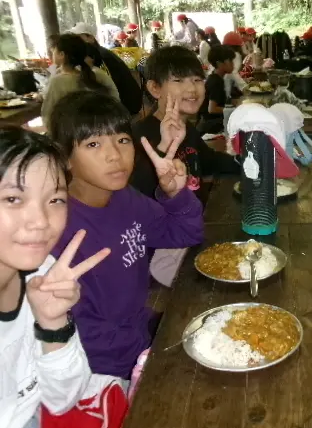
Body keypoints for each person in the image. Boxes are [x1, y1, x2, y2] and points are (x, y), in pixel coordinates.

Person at [47, 90, 204, 380]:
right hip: (104, 369)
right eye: (93, 144)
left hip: (137, 332)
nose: (114, 156)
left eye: (122, 140)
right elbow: (86, 336)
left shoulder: (124, 198)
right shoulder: (59, 231)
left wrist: (176, 194)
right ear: (65, 158)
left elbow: (185, 233)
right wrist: (149, 360)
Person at [0, 127, 113, 428]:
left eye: (55, 200)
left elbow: (63, 400)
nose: (40, 221)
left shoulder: (42, 271)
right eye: (12, 199)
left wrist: (53, 326)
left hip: (30, 426)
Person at [131, 45, 240, 199]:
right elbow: (137, 195)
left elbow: (209, 160)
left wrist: (248, 163)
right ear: (155, 88)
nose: (192, 89)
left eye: (197, 79)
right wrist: (163, 149)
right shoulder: (139, 138)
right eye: (178, 80)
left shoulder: (186, 127)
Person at [41, 34, 119, 130]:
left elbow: (48, 115)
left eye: (53, 51)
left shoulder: (58, 81)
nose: (51, 53)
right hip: (103, 127)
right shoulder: (94, 74)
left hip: (74, 133)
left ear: (62, 55)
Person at [69, 22, 143, 115]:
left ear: (90, 37)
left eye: (78, 38)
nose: (75, 42)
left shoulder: (100, 57)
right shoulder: (99, 53)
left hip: (126, 106)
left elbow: (109, 88)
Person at [197, 45, 237, 135]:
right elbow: (212, 109)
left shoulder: (216, 77)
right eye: (230, 61)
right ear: (219, 63)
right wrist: (233, 110)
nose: (233, 64)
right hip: (209, 126)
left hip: (210, 122)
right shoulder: (216, 82)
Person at [222, 31, 248, 98]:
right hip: (226, 87)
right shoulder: (236, 54)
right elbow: (233, 73)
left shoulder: (223, 53)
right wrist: (245, 86)